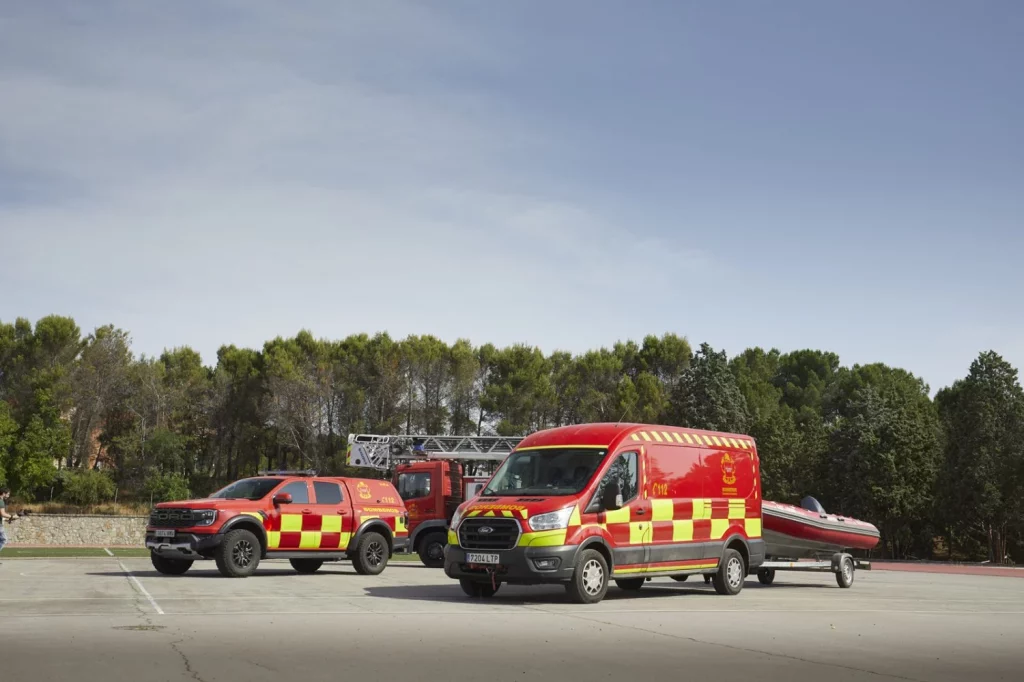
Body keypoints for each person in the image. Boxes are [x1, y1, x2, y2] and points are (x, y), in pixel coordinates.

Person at [0, 487, 16, 556]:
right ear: (4, 493)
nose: (8, 496)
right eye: (8, 494)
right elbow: (2, 514)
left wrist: (6, 519)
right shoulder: (1, 501)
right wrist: (12, 516)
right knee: (4, 540)